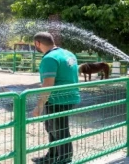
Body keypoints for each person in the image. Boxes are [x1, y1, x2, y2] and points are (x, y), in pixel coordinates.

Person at [31, 32, 80, 164]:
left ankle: (65, 159)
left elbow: (48, 84)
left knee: (60, 130)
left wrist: (39, 106)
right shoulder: (68, 53)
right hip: (70, 96)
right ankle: (52, 156)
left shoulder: (49, 58)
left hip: (58, 99)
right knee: (52, 127)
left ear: (38, 43)